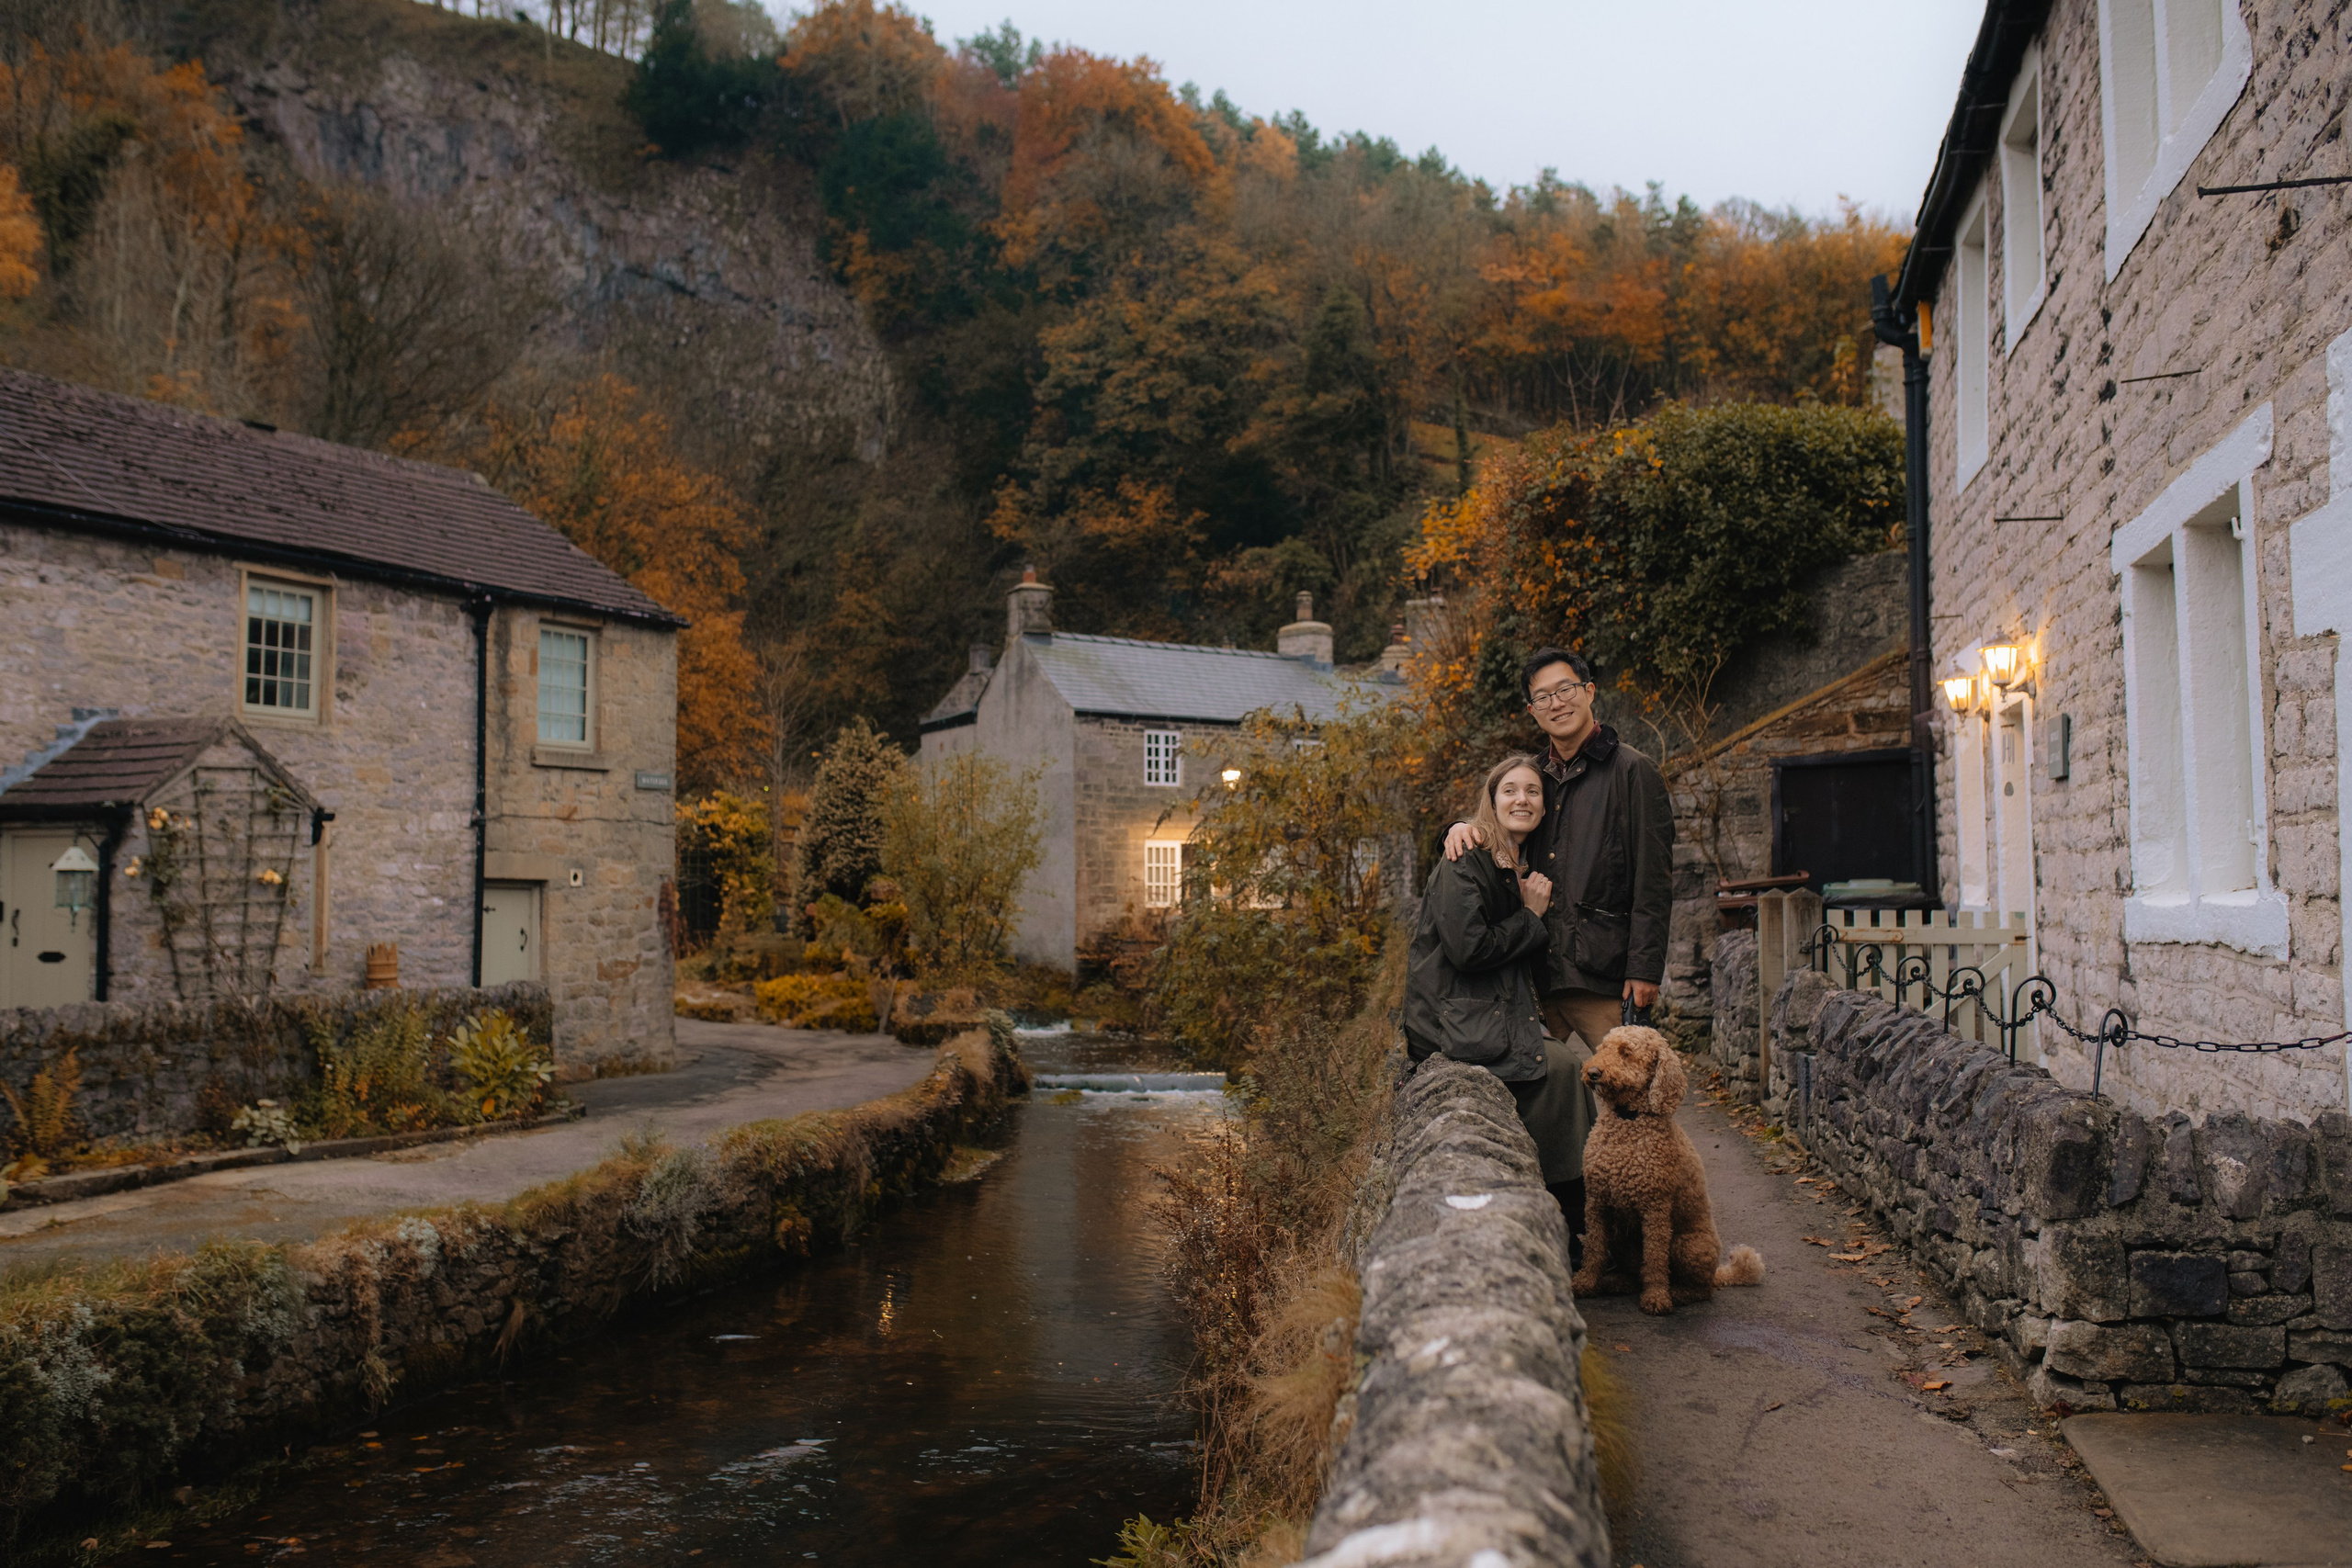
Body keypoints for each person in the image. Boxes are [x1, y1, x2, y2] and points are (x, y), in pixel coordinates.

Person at [1403, 754, 1594, 1262]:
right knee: (1560, 1071)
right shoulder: (1467, 856)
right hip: (1453, 1024)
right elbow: (1468, 948)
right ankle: (1576, 1228)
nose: (1522, 799)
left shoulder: (1519, 864)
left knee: (1566, 1074)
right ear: (1491, 800)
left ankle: (1581, 1223)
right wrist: (1531, 917)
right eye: (1510, 790)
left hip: (1486, 1013)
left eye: (1533, 792)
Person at [1444, 647, 1676, 1057]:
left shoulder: (1632, 771)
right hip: (1535, 972)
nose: (1557, 703)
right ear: (1532, 711)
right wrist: (1460, 827)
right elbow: (1496, 824)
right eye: (1543, 697)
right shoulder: (1532, 777)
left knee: (1635, 1100)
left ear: (1589, 691)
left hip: (1602, 974)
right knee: (1526, 1094)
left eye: (1565, 689)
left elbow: (1653, 880)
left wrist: (1644, 969)